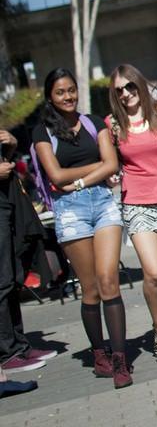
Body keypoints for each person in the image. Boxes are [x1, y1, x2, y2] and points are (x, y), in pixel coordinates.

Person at [30, 68, 131, 388]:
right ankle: (99, 353)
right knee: (90, 289)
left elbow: (112, 163)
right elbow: (55, 176)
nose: (68, 96)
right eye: (61, 92)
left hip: (102, 204)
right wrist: (95, 168)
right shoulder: (42, 131)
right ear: (50, 97)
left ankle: (119, 360)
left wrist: (81, 178)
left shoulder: (94, 123)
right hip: (70, 212)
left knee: (108, 280)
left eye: (71, 90)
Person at [106, 65, 157, 363]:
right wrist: (110, 177)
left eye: (130, 86)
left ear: (140, 85)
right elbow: (109, 162)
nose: (126, 94)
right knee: (154, 272)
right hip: (137, 203)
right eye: (119, 90)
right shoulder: (113, 125)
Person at [1, 129, 55, 382]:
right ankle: (7, 353)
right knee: (2, 281)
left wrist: (10, 147)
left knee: (11, 277)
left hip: (7, 200)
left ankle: (19, 346)